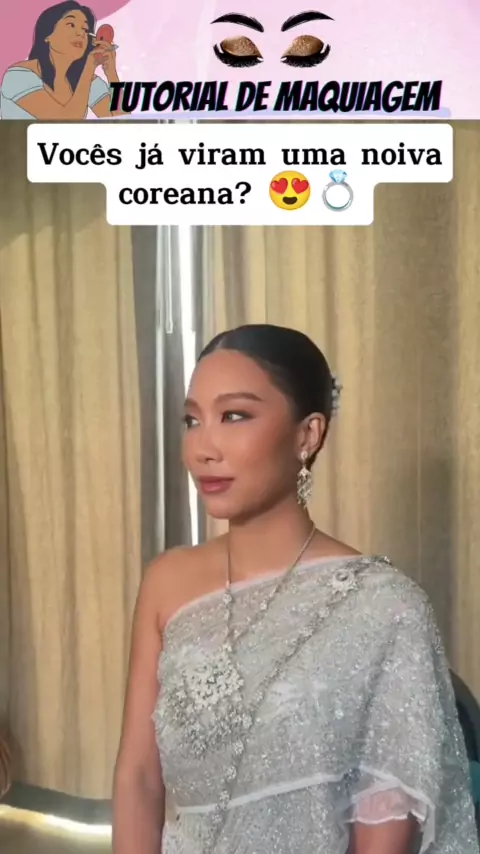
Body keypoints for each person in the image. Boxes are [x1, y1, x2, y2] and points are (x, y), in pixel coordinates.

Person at [113, 323, 479, 854]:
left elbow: (385, 820)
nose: (201, 448)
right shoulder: (165, 583)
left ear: (308, 435)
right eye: (192, 420)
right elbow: (139, 778)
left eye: (234, 415)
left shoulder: (384, 606)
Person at [0, 1, 120, 119]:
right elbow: (64, 121)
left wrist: (111, 73)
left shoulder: (86, 79)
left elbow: (123, 122)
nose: (80, 33)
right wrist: (89, 68)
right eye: (71, 25)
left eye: (85, 29)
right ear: (47, 35)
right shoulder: (18, 75)